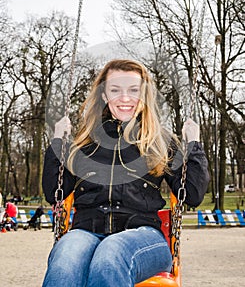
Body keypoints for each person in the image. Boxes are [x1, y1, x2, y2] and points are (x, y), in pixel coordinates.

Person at [42, 59, 209, 287]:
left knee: (110, 253)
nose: (125, 98)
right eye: (115, 90)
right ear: (103, 95)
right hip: (87, 232)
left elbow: (192, 195)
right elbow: (54, 193)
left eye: (133, 90)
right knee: (65, 257)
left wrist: (194, 145)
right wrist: (57, 141)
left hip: (144, 237)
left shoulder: (160, 142)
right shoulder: (84, 143)